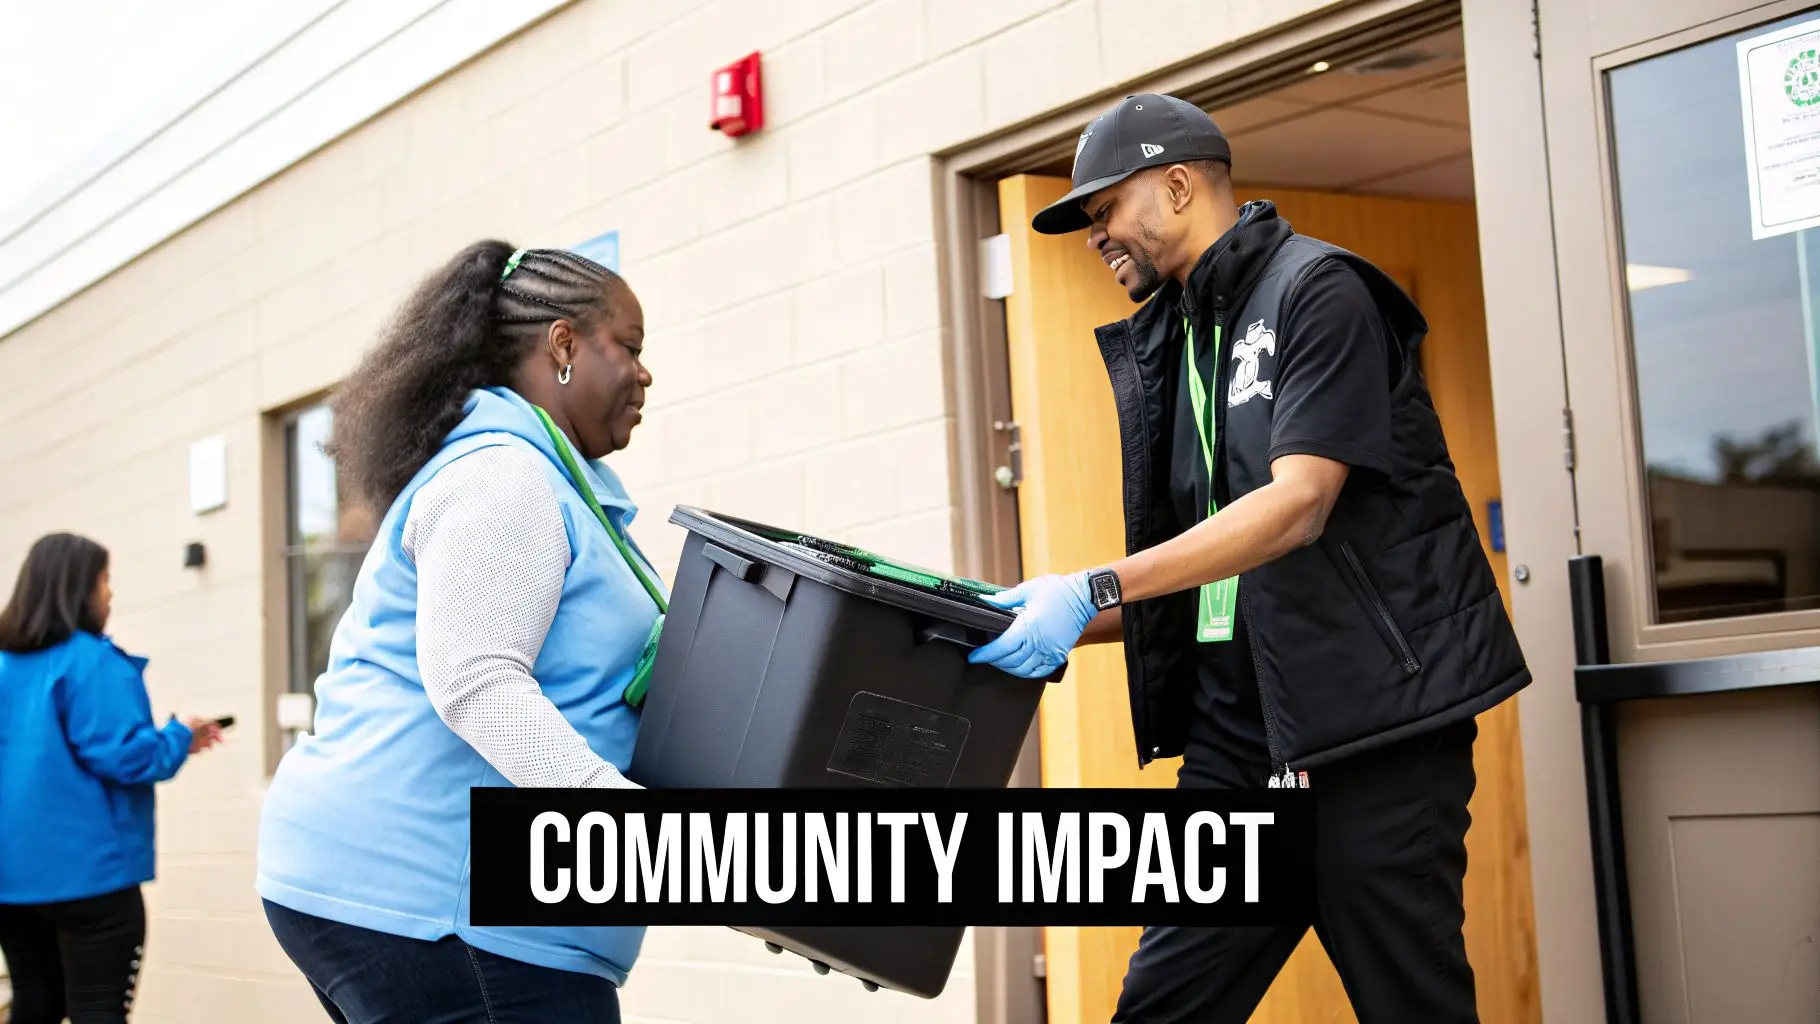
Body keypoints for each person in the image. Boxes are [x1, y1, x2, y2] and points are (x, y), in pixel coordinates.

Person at [967, 94, 1530, 1023]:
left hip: (1371, 743)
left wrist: (1095, 584)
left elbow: (1298, 505)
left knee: (1412, 1008)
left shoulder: (1322, 292)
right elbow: (1210, 571)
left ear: (1179, 184)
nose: (1094, 235)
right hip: (1241, 747)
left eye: (1104, 208)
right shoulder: (1184, 338)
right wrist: (1037, 616)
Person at [254, 240, 664, 1024]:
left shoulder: (545, 480)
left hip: (435, 896)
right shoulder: (505, 477)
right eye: (632, 348)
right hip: (440, 902)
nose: (645, 374)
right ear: (564, 344)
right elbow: (476, 682)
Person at [0, 532, 225, 1024]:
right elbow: (127, 757)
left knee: (34, 1006)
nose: (110, 594)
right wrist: (177, 737)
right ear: (77, 588)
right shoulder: (90, 660)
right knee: (98, 1011)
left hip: (11, 883)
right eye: (105, 580)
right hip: (91, 881)